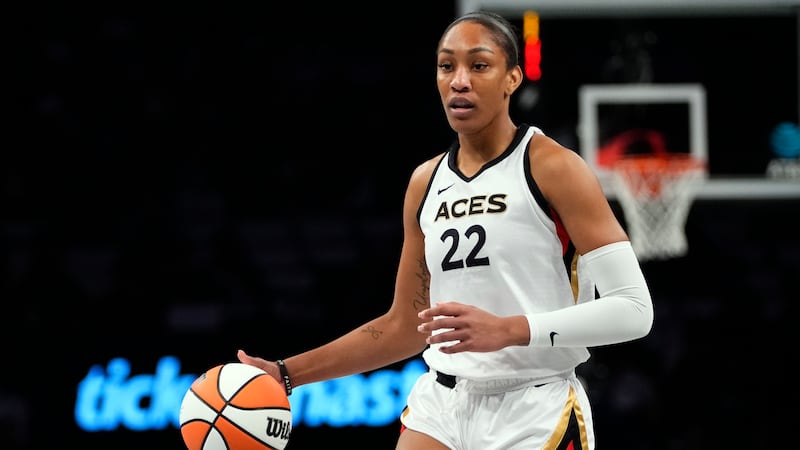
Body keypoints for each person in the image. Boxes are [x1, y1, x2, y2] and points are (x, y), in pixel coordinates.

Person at [237, 10, 653, 450]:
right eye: (446, 65)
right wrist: (286, 374)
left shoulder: (553, 167)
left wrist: (510, 329)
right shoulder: (425, 182)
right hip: (442, 402)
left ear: (512, 79)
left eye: (478, 65)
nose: (459, 80)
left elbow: (634, 310)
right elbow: (405, 325)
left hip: (534, 405)